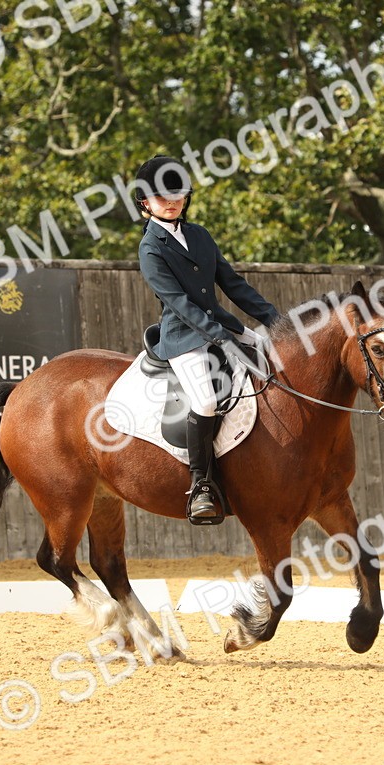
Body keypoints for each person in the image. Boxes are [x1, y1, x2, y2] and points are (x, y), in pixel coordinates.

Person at [134, 154, 280, 523]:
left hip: (222, 327)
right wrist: (221, 337)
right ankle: (201, 484)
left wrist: (275, 320)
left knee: (276, 362)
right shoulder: (150, 248)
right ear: (145, 203)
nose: (172, 202)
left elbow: (232, 285)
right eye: (162, 197)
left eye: (178, 195)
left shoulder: (199, 235)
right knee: (206, 401)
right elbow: (179, 303)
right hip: (185, 338)